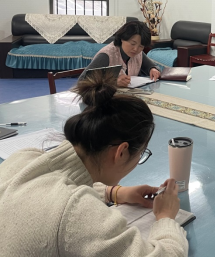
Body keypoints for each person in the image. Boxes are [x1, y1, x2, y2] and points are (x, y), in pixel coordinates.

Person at [0, 70, 188, 256]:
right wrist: (166, 217)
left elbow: (53, 192)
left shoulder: (25, 157)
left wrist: (113, 192)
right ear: (121, 152)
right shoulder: (78, 212)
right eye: (141, 153)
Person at [82, 20, 161, 87]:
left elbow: (152, 66)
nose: (136, 49)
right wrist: (113, 82)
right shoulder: (106, 55)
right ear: (122, 38)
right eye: (132, 44)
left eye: (141, 46)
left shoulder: (138, 54)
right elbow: (82, 81)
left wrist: (153, 69)